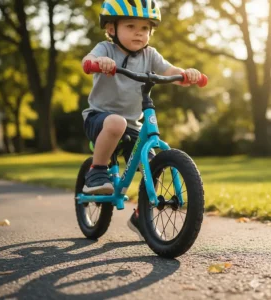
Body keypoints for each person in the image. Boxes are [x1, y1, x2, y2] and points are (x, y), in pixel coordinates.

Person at [81, 0, 202, 239]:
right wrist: (98, 63)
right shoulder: (106, 49)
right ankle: (97, 170)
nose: (139, 32)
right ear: (112, 29)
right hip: (100, 119)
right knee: (117, 122)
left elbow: (169, 71)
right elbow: (88, 60)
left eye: (145, 28)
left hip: (133, 124)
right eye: (130, 26)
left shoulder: (150, 54)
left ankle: (140, 216)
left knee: (151, 164)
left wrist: (186, 74)